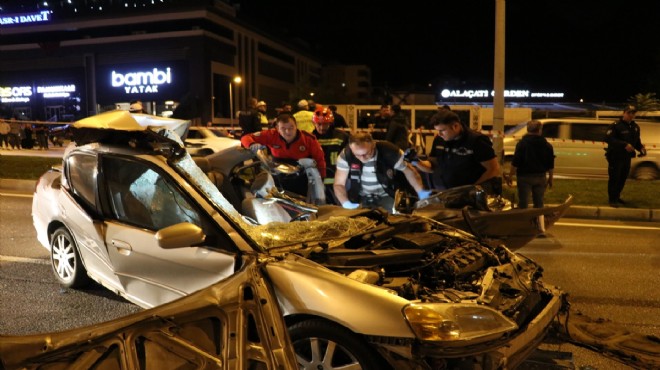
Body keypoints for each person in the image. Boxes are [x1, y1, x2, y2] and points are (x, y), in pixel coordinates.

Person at [333, 132, 430, 212]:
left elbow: (410, 172)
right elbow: (339, 184)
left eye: (366, 153)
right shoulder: (346, 155)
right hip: (360, 197)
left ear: (373, 144)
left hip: (388, 194)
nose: (362, 158)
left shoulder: (390, 151)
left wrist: (421, 193)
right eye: (357, 155)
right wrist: (346, 203)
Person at [413, 111, 501, 194]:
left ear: (455, 126)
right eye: (437, 130)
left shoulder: (476, 141)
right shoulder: (439, 140)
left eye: (442, 130)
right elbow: (432, 167)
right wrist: (416, 161)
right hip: (447, 193)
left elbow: (493, 169)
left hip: (472, 196)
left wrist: (471, 189)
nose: (439, 134)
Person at [240, 112, 326, 197]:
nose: (288, 131)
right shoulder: (271, 135)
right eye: (283, 128)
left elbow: (320, 160)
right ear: (277, 128)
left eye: (291, 127)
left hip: (301, 178)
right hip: (278, 177)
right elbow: (245, 138)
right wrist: (252, 144)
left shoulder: (308, 139)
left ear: (296, 126)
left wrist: (321, 181)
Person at [505, 120, 555, 208]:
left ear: (528, 130)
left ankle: (524, 220)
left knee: (523, 202)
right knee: (539, 202)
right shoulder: (547, 145)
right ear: (540, 130)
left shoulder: (522, 144)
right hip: (540, 176)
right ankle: (538, 220)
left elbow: (516, 161)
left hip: (524, 177)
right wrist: (550, 178)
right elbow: (550, 164)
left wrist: (510, 176)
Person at [604, 105, 646, 207]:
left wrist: (641, 148)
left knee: (622, 178)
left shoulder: (635, 127)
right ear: (624, 113)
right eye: (629, 113)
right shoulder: (615, 125)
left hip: (627, 157)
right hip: (615, 156)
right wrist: (624, 145)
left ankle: (617, 197)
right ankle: (612, 199)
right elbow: (608, 138)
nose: (631, 115)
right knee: (614, 178)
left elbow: (636, 141)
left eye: (633, 113)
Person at [311, 106, 349, 204]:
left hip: (338, 182)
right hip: (318, 182)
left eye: (325, 124)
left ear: (330, 123)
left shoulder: (342, 137)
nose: (322, 127)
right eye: (319, 124)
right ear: (314, 123)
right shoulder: (310, 138)